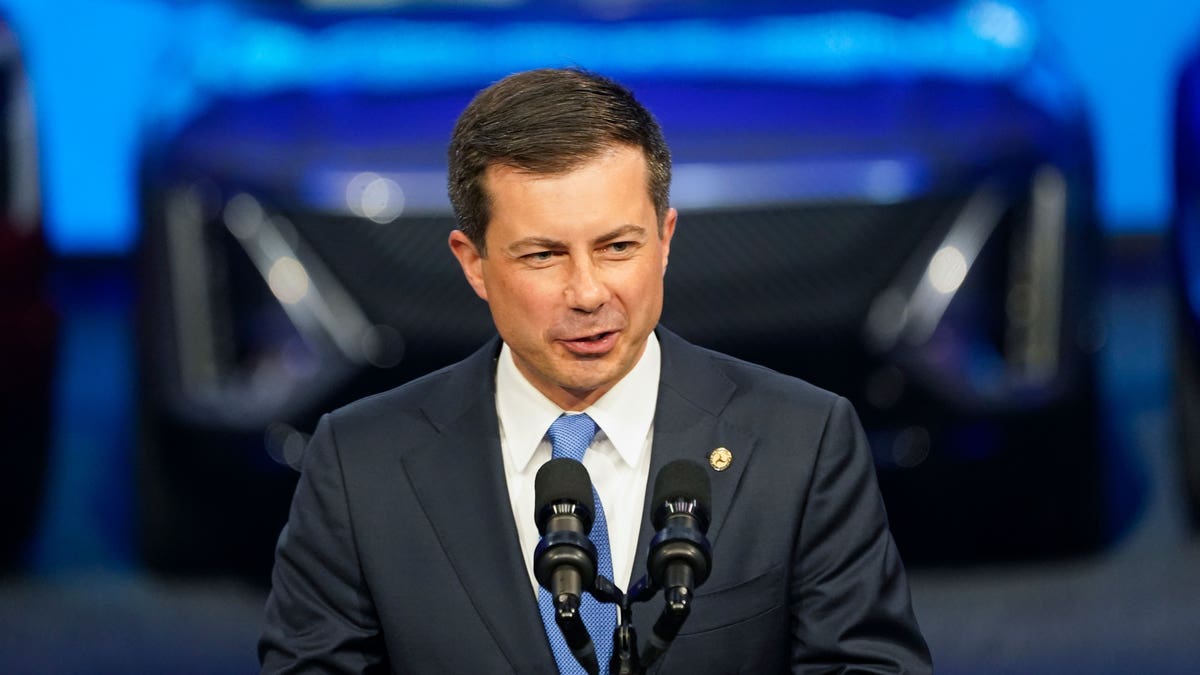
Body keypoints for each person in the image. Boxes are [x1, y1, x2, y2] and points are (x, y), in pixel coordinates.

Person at [260, 67, 932, 674]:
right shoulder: (360, 465)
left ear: (665, 240)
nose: (587, 292)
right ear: (473, 263)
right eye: (544, 256)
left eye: (617, 247)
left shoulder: (802, 442)